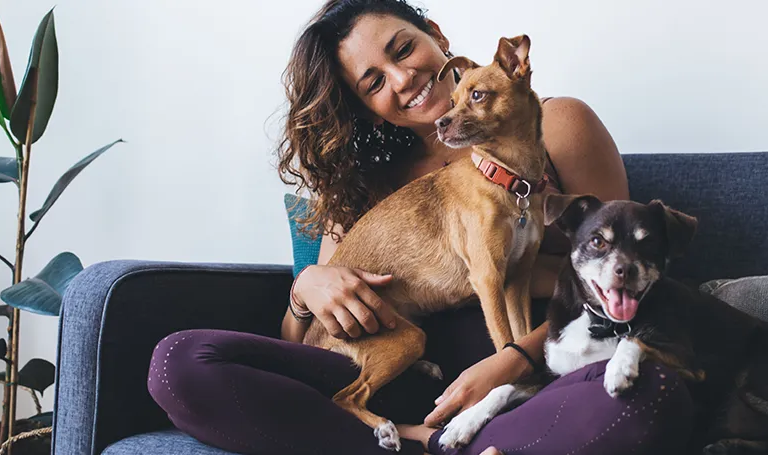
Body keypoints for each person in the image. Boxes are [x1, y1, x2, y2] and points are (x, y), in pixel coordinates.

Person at [147, 1, 694, 453]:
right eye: (373, 82)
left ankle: (428, 442)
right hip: (391, 379)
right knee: (179, 363)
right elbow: (302, 345)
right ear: (368, 109)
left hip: (522, 382)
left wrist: (512, 362)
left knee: (651, 395)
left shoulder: (557, 125)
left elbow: (626, 277)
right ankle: (415, 440)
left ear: (436, 35)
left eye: (403, 48)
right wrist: (305, 287)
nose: (403, 77)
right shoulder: (365, 186)